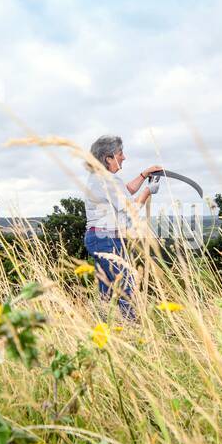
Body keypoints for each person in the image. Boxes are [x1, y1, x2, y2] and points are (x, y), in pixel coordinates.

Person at [82, 135, 162, 319]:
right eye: (120, 153)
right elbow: (131, 208)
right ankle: (131, 332)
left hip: (98, 239)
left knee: (108, 293)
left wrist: (144, 175)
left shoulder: (98, 178)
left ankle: (108, 333)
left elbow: (125, 191)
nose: (124, 157)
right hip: (108, 239)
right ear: (108, 158)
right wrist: (149, 190)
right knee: (126, 287)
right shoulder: (108, 180)